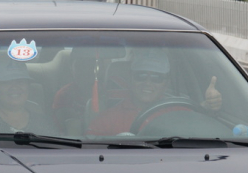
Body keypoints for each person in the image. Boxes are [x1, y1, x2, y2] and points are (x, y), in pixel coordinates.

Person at [86, 48, 221, 136]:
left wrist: (208, 108)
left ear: (166, 82)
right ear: (131, 78)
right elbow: (90, 149)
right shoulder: (108, 118)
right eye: (141, 76)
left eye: (157, 78)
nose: (148, 83)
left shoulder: (180, 114)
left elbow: (200, 127)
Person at [0, 61, 59, 135]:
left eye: (20, 82)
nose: (14, 87)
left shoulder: (44, 122)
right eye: (7, 82)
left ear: (28, 88)